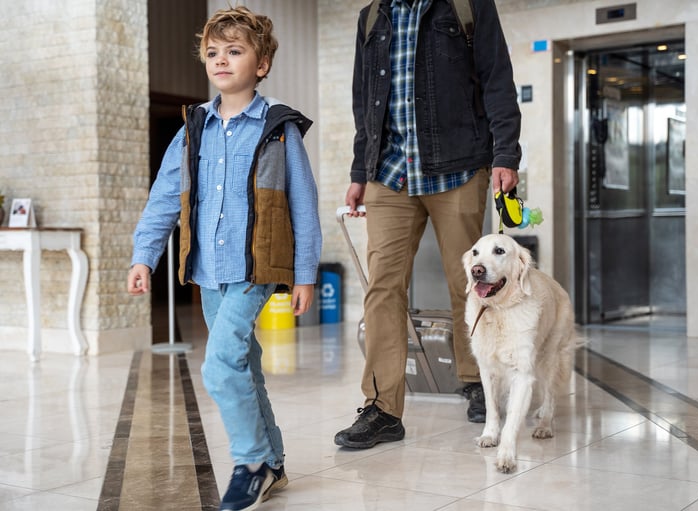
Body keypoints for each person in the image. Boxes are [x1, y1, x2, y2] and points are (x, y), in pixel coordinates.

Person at [127, 7, 321, 510]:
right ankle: (275, 462)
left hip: (256, 267)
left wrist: (304, 275)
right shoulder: (193, 129)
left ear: (261, 63)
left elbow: (303, 204)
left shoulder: (279, 129)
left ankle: (250, 461)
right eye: (213, 52)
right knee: (244, 362)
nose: (221, 60)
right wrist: (143, 256)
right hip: (208, 271)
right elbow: (165, 197)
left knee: (218, 366)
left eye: (234, 51)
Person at [335, 0, 522, 449]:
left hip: (458, 166)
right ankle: (382, 407)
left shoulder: (466, 5)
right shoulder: (372, 16)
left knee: (477, 282)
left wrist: (506, 154)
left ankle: (478, 382)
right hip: (389, 171)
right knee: (382, 285)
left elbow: (497, 75)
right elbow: (365, 101)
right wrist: (360, 170)